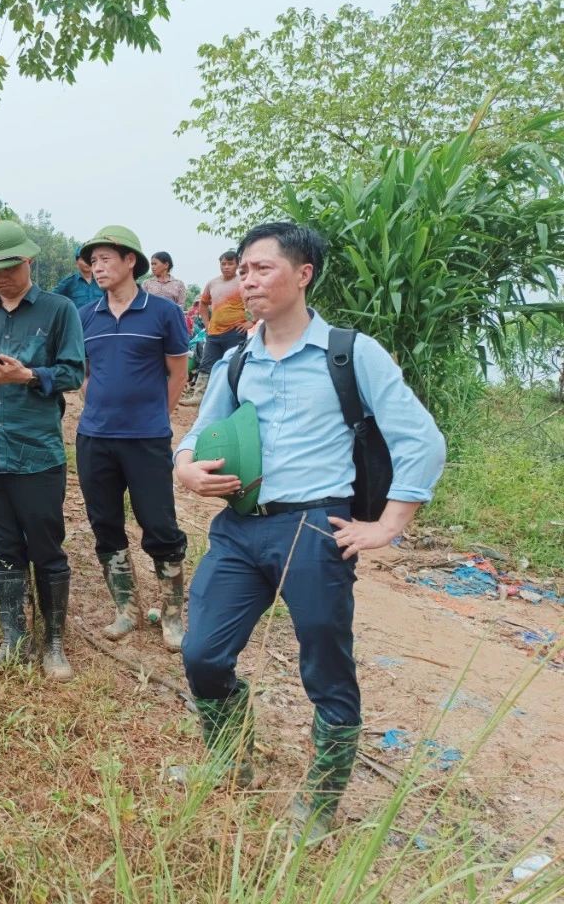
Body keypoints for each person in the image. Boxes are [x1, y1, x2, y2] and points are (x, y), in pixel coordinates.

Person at [173, 222, 445, 845]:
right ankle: (229, 755)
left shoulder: (352, 354)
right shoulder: (237, 359)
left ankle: (322, 800)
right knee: (202, 653)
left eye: (263, 268)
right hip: (240, 528)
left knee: (325, 663)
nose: (248, 279)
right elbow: (195, 435)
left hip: (315, 526)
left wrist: (389, 525)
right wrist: (186, 470)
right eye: (243, 269)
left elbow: (420, 441)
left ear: (303, 275)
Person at [0, 220, 85, 681]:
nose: (2, 278)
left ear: (28, 260)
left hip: (35, 451)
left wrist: (27, 375)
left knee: (46, 547)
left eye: (9, 267)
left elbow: (72, 372)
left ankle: (53, 644)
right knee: (3, 547)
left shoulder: (59, 309)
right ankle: (14, 641)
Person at [76, 226, 191, 652]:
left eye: (107, 258)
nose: (98, 266)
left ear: (131, 263)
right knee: (105, 524)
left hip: (147, 439)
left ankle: (173, 615)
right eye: (94, 260)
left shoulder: (162, 313)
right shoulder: (86, 316)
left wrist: (157, 417)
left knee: (159, 525)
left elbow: (178, 372)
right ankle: (127, 608)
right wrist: (98, 402)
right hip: (95, 438)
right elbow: (84, 372)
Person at [181, 249, 248, 406]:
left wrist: (251, 322)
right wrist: (206, 323)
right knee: (206, 364)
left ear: (237, 265)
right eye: (223, 264)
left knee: (234, 365)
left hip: (235, 331)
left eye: (230, 264)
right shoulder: (213, 283)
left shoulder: (243, 282)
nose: (226, 267)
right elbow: (203, 303)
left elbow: (254, 299)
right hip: (214, 332)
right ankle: (198, 396)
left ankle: (232, 400)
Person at [50, 244, 104, 309]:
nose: (87, 262)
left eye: (90, 259)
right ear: (76, 263)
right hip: (77, 319)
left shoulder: (102, 281)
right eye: (84, 259)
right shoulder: (69, 282)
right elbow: (52, 299)